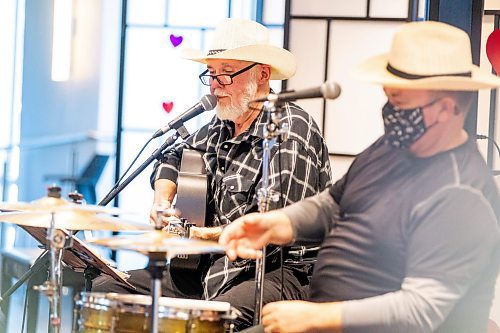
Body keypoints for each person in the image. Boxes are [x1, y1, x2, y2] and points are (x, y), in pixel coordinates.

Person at [219, 21, 500, 333]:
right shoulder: (394, 147)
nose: (389, 111)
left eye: (400, 102)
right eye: (388, 97)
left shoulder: (462, 193)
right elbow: (334, 203)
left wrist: (319, 317)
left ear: (446, 109)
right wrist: (281, 223)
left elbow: (420, 311)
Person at [92, 18, 332, 330]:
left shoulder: (290, 130)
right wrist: (162, 201)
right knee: (108, 290)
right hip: (209, 266)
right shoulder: (222, 124)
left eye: (227, 73)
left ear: (262, 73)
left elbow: (269, 228)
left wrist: (193, 235)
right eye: (212, 74)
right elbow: (173, 155)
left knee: (215, 316)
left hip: (280, 272)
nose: (216, 84)